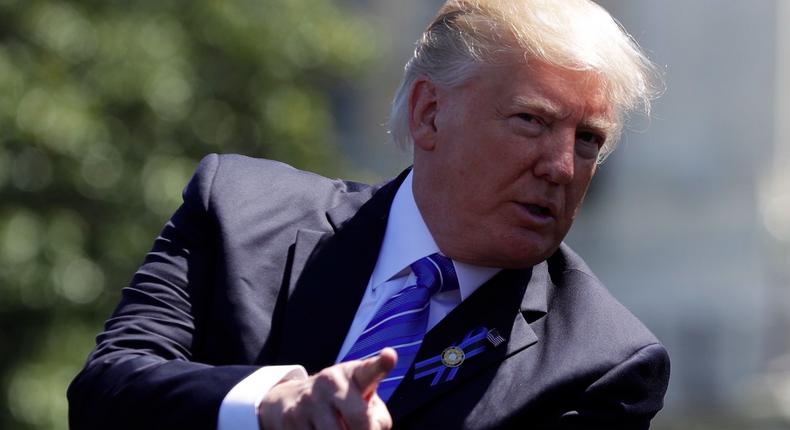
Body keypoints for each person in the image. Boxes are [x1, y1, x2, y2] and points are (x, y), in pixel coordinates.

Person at [68, 0, 670, 429]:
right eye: (532, 121)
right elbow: (104, 394)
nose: (563, 167)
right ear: (429, 114)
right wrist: (269, 405)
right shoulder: (237, 211)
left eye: (588, 140)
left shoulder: (602, 363)